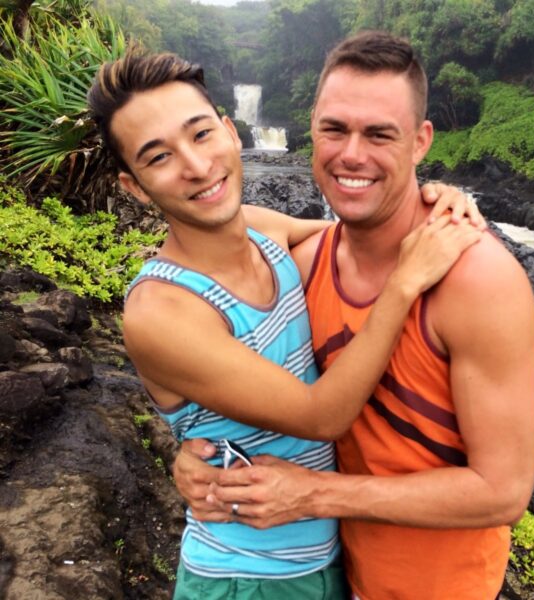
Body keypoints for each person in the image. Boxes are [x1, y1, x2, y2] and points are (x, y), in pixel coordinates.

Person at [87, 48, 484, 599]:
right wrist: (402, 287)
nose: (197, 166)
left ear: (230, 131)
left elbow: (356, 232)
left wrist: (437, 199)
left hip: (323, 562)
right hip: (244, 576)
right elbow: (322, 416)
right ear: (133, 185)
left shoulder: (262, 232)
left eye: (201, 134)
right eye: (158, 157)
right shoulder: (163, 311)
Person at [175, 31, 534, 600]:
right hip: (331, 574)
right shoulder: (302, 262)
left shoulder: (478, 281)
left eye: (379, 134)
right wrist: (198, 457)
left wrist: (315, 494)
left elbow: (503, 492)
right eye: (335, 129)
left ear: (420, 142)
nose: (352, 154)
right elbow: (196, 233)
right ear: (312, 128)